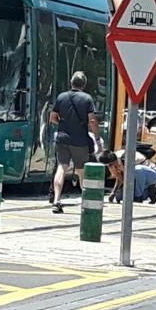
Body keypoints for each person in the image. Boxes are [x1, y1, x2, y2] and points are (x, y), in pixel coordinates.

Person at [50, 71, 101, 213]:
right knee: (81, 170)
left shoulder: (61, 97)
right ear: (84, 84)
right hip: (79, 140)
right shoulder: (87, 99)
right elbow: (92, 121)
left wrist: (63, 124)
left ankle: (56, 200)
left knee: (61, 167)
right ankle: (85, 201)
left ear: (71, 83)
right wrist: (97, 138)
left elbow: (53, 118)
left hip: (62, 138)